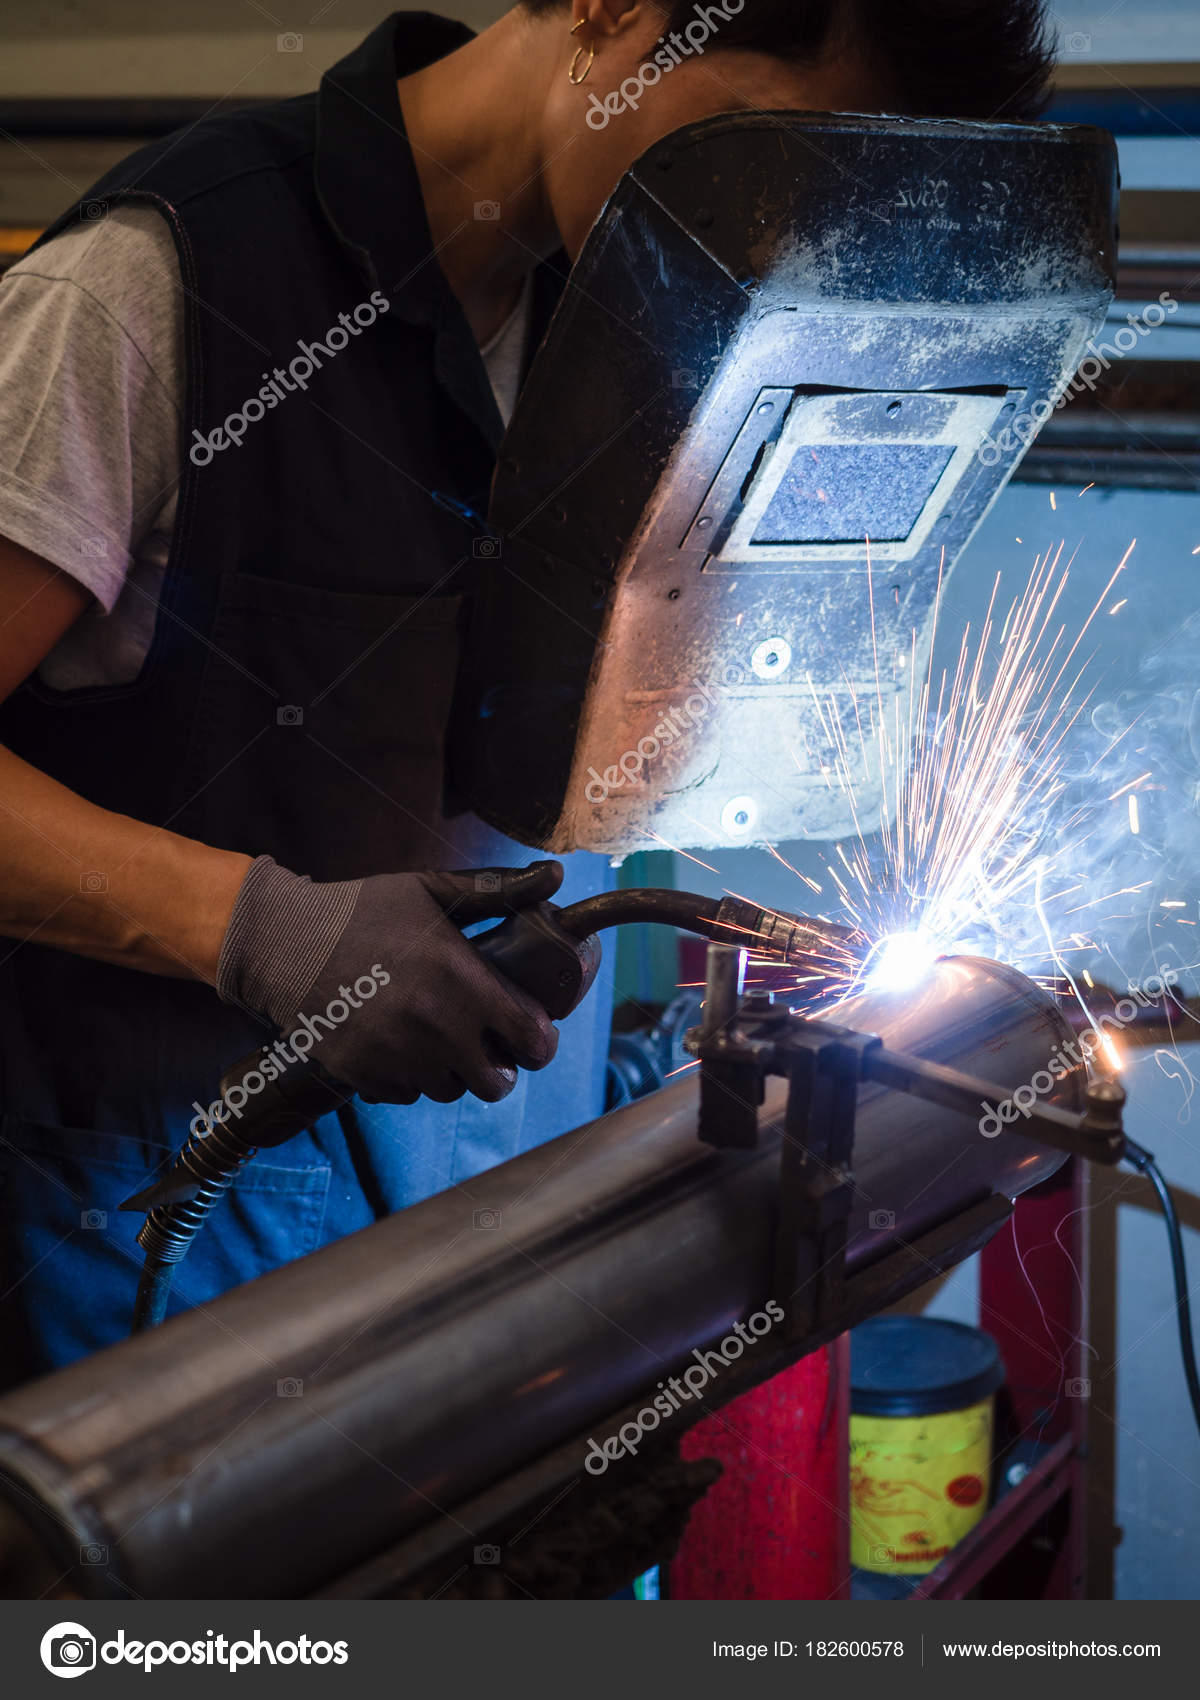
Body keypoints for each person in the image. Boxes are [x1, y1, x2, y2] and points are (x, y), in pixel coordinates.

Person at [0, 2, 1055, 1387]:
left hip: (502, 1234)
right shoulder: (158, 286)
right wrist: (253, 928)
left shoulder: (638, 319)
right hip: (165, 1264)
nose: (786, 242)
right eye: (771, 155)